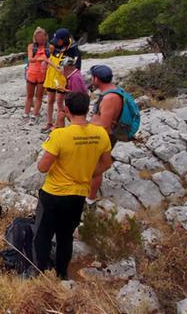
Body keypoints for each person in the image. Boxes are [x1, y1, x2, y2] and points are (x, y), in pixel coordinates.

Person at [34, 92, 113, 280]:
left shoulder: (59, 135)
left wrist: (58, 127)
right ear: (87, 109)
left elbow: (43, 167)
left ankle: (39, 273)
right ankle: (62, 274)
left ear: (66, 109)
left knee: (43, 235)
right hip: (78, 194)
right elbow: (107, 163)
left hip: (53, 193)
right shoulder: (100, 133)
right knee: (65, 236)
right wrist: (88, 173)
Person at [42, 28, 81, 132]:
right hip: (51, 77)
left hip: (62, 78)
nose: (56, 42)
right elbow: (48, 55)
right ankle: (49, 122)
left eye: (58, 40)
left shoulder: (73, 49)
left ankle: (58, 124)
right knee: (49, 100)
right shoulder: (56, 45)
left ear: (64, 39)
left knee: (59, 101)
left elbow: (75, 67)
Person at [89, 64, 122, 142]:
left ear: (96, 79)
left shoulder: (109, 98)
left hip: (104, 140)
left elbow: (105, 126)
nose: (91, 79)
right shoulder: (113, 90)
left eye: (92, 77)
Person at [53, 57, 88, 128]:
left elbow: (77, 95)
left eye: (61, 68)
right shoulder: (73, 75)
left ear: (67, 68)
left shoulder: (75, 77)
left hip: (79, 105)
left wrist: (64, 90)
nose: (60, 70)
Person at [24, 27, 49, 125]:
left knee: (39, 96)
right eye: (38, 37)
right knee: (29, 96)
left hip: (42, 75)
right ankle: (26, 114)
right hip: (31, 74)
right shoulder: (31, 46)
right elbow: (30, 59)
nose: (40, 39)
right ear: (35, 37)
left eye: (42, 36)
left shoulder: (49, 47)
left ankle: (34, 115)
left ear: (45, 36)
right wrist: (40, 59)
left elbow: (51, 60)